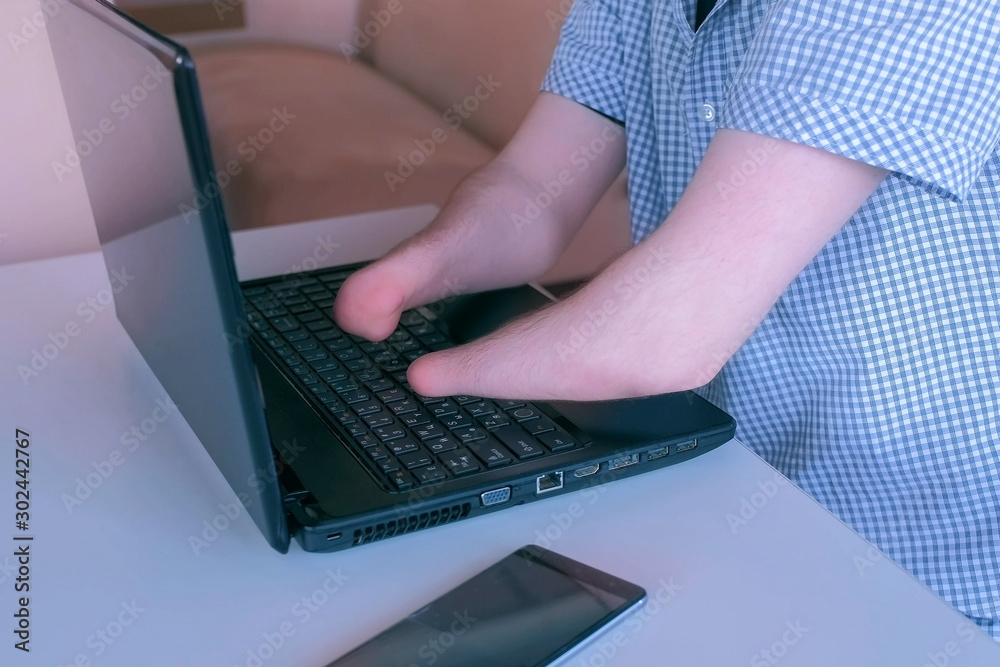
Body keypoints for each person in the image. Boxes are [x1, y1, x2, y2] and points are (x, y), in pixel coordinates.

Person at [335, 0, 1000, 639]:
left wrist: (421, 379)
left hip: (926, 552)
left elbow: (665, 330)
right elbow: (532, 185)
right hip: (741, 476)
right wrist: (405, 275)